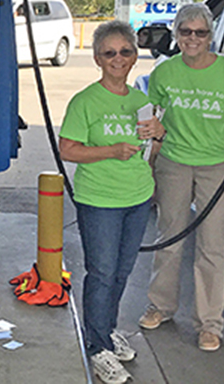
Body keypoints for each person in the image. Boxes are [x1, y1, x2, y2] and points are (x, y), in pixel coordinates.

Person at [138, 3, 224, 352]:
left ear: (210, 36)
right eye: (185, 32)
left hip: (217, 168)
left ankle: (209, 324)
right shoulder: (165, 73)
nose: (192, 39)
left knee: (212, 247)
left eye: (200, 33)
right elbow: (152, 119)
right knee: (168, 239)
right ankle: (161, 306)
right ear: (176, 34)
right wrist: (148, 167)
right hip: (174, 162)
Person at [59, 21, 164, 384]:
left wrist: (159, 135)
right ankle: (96, 346)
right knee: (101, 273)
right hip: (99, 200)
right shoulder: (85, 102)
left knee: (121, 272)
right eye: (109, 53)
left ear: (135, 56)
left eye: (125, 51)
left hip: (137, 197)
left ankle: (105, 331)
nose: (118, 59)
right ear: (97, 59)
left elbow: (151, 153)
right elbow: (68, 149)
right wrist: (111, 151)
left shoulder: (142, 102)